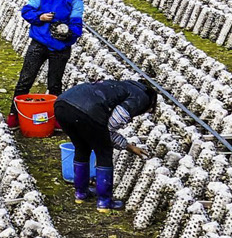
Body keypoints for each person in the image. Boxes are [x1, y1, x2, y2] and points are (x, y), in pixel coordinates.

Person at [55, 80, 157, 210]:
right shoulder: (140, 98)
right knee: (104, 152)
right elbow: (108, 128)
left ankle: (80, 193)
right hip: (87, 111)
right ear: (151, 102)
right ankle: (104, 201)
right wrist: (128, 146)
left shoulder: (121, 87)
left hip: (62, 105)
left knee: (82, 147)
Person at [12, 0, 85, 127]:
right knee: (25, 79)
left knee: (55, 84)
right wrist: (40, 17)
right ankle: (14, 115)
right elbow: (26, 11)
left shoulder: (76, 2)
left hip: (60, 48)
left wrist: (67, 33)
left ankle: (55, 119)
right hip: (39, 42)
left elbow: (77, 26)